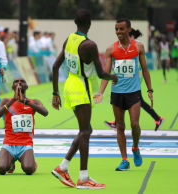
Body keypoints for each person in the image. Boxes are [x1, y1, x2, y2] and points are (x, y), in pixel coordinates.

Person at [51, 9, 117, 189]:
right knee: (85, 132)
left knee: (85, 130)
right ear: (90, 22)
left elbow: (56, 67)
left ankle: (63, 167)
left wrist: (55, 94)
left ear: (75, 21)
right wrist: (114, 77)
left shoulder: (69, 38)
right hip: (81, 88)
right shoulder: (89, 45)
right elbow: (102, 72)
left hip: (69, 86)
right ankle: (83, 178)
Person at [94, 18, 153, 171]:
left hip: (133, 92)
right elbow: (106, 73)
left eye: (121, 29)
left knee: (135, 124)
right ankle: (124, 160)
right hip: (117, 93)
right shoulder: (111, 49)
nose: (118, 32)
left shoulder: (138, 47)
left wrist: (149, 89)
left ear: (129, 29)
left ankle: (135, 147)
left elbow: (145, 69)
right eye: (116, 29)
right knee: (120, 126)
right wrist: (101, 91)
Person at [104, 28, 165, 131]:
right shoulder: (131, 44)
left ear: (131, 36)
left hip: (134, 77)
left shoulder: (136, 45)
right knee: (137, 100)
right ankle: (157, 118)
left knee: (135, 100)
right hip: (132, 76)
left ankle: (157, 118)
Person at [0, 77, 48, 175]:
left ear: (26, 87)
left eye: (22, 81)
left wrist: (26, 102)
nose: (19, 83)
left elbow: (45, 112)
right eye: (16, 82)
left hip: (26, 144)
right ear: (13, 87)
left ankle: (32, 161)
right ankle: (11, 162)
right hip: (9, 143)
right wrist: (13, 101)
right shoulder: (6, 101)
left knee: (28, 169)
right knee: (1, 169)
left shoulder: (33, 101)